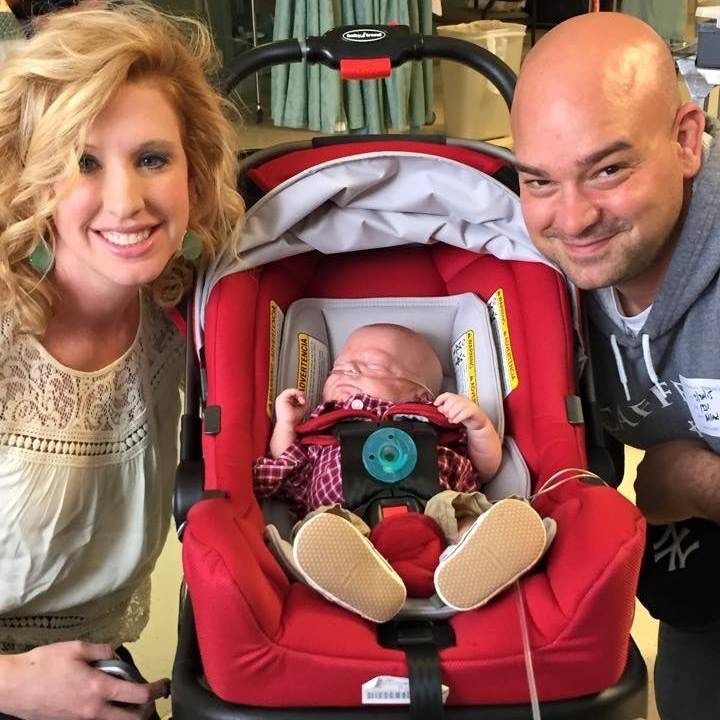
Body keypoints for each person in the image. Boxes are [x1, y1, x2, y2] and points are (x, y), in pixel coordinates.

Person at [0, 2, 244, 718]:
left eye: (151, 159)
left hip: (99, 677)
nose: (125, 201)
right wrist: (14, 686)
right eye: (83, 162)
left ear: (192, 171)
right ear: (32, 176)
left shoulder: (182, 311)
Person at [510, 12, 720, 720]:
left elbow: (673, 485)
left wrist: (692, 478)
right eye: (539, 180)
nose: (571, 221)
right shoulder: (532, 278)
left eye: (607, 169)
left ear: (687, 140)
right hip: (697, 579)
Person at [254, 323, 553, 623]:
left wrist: (479, 426)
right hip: (351, 519)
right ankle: (357, 577)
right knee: (324, 525)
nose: (347, 370)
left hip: (434, 512)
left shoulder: (437, 422)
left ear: (419, 394)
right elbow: (288, 464)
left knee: (460, 509)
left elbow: (484, 468)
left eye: (370, 363)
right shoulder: (326, 424)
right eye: (338, 367)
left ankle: (470, 551)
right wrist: (286, 424)